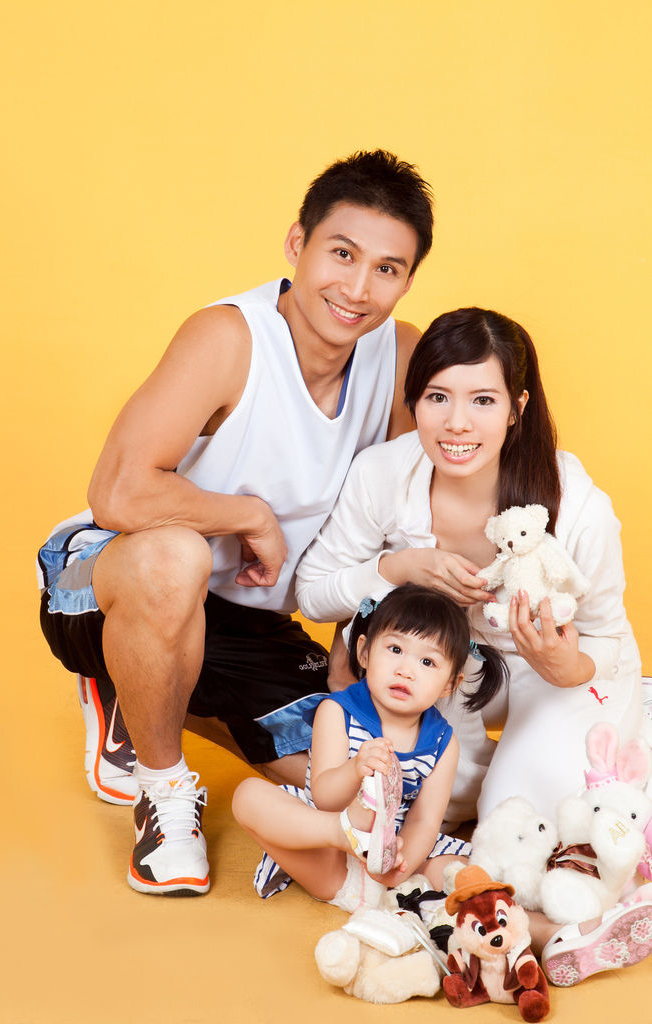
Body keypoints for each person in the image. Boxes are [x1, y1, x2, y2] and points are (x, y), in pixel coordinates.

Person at [36, 150, 434, 896]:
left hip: (246, 622)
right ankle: (161, 786)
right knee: (176, 559)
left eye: (386, 268)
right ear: (297, 243)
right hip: (104, 581)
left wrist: (355, 656)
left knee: (360, 774)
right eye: (341, 254)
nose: (357, 288)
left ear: (407, 280)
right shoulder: (229, 338)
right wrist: (247, 515)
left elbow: (397, 522)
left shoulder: (401, 357)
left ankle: (138, 691)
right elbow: (117, 490)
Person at [295, 306, 644, 826]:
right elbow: (312, 593)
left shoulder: (578, 506)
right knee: (432, 803)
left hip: (555, 674)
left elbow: (606, 635)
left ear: (516, 407)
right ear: (414, 400)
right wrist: (399, 567)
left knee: (525, 816)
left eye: (483, 400)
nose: (457, 423)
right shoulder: (383, 473)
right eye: (437, 397)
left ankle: (606, 727)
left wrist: (566, 667)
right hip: (443, 668)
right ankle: (503, 768)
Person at [232, 585, 506, 910]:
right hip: (331, 855)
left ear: (450, 683)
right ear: (364, 652)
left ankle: (415, 898)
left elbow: (424, 821)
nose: (406, 670)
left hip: (396, 860)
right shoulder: (337, 712)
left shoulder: (443, 743)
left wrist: (400, 864)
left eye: (427, 661)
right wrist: (354, 770)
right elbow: (324, 797)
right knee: (249, 796)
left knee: (468, 872)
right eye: (395, 649)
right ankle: (349, 839)